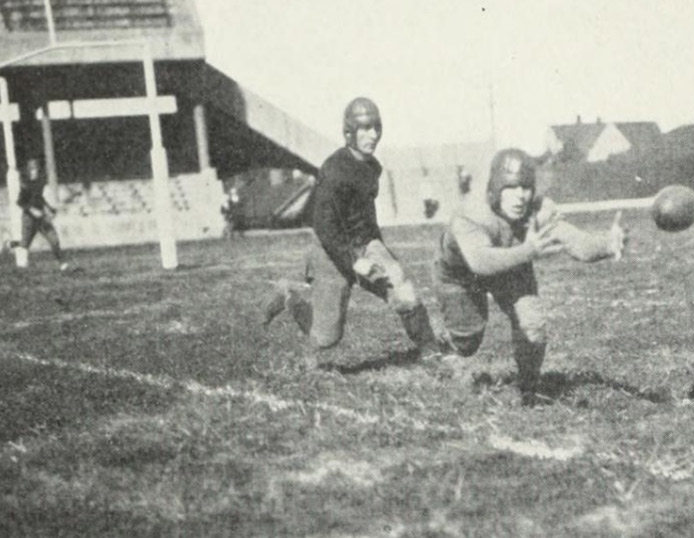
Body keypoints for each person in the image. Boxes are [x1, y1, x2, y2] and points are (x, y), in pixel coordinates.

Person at [432, 148, 628, 405]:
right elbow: (480, 262)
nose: (520, 196)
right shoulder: (472, 213)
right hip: (461, 275)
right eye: (511, 188)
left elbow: (576, 242)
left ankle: (527, 391)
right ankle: (441, 347)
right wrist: (528, 250)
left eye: (525, 187)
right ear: (495, 188)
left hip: (512, 264)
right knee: (467, 340)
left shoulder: (538, 210)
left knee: (533, 326)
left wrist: (608, 244)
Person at [262, 97, 439, 367]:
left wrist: (378, 250)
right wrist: (354, 261)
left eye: (376, 128)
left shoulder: (372, 167)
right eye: (365, 128)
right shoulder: (334, 170)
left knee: (400, 282)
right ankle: (288, 295)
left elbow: (366, 216)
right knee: (325, 338)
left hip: (363, 243)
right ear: (349, 132)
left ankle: (430, 348)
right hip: (330, 250)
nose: (373, 135)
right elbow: (324, 225)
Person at [7, 158, 69, 271]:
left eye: (35, 169)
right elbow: (20, 202)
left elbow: (40, 199)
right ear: (28, 170)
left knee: (54, 240)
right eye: (32, 169)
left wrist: (50, 209)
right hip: (29, 218)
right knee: (25, 244)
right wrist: (32, 210)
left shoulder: (40, 183)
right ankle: (13, 244)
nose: (34, 171)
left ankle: (62, 263)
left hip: (41, 217)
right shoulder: (25, 185)